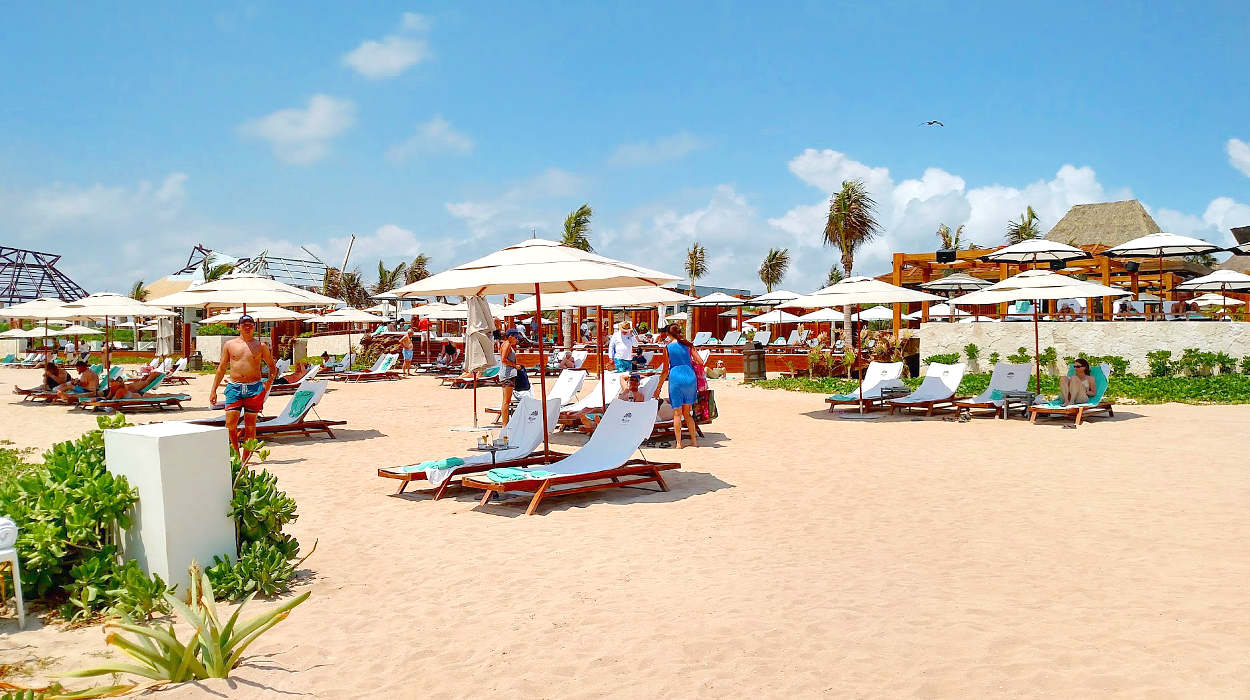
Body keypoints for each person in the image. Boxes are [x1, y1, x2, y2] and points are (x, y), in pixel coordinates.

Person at [209, 314, 277, 460]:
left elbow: (272, 367)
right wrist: (213, 390)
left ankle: (245, 459)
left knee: (250, 426)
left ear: (254, 327)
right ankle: (235, 454)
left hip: (254, 388)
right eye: (244, 325)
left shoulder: (261, 346)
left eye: (250, 325)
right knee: (230, 424)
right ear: (238, 327)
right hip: (234, 387)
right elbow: (221, 368)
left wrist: (269, 383)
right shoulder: (229, 345)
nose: (247, 327)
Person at [653, 323, 704, 448]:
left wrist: (658, 388)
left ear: (668, 333)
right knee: (687, 413)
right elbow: (700, 361)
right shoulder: (688, 345)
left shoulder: (668, 347)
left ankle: (679, 443)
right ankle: (694, 441)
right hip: (690, 377)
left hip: (676, 377)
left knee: (677, 413)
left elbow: (665, 370)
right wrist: (688, 362)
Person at [498, 329, 529, 426]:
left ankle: (505, 423)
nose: (517, 339)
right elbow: (503, 360)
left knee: (506, 401)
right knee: (506, 401)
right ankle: (505, 425)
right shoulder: (507, 344)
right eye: (515, 337)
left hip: (506, 374)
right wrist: (515, 366)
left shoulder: (505, 344)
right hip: (507, 374)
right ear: (510, 336)